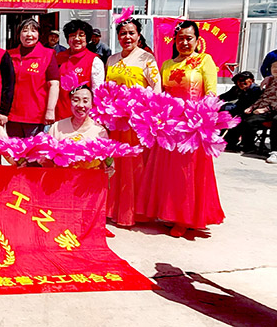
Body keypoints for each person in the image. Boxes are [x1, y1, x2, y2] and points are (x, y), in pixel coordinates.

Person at [137, 21, 225, 237]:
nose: (184, 42)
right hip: (170, 126)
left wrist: (203, 118)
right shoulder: (167, 64)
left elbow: (211, 93)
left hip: (193, 127)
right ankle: (170, 212)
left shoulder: (205, 60)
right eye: (180, 39)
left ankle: (185, 218)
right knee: (169, 173)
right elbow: (162, 94)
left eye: (189, 38)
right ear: (174, 41)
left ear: (197, 40)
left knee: (188, 173)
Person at [105, 17, 161, 228]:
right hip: (116, 122)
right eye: (123, 33)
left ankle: (135, 212)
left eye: (131, 33)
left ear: (138, 35)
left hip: (137, 123)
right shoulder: (112, 59)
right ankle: (114, 209)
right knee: (116, 164)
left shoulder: (147, 59)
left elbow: (156, 89)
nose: (127, 37)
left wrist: (149, 113)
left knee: (135, 165)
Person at [1, 18, 59, 138]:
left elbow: (54, 85)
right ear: (19, 34)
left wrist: (50, 111)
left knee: (35, 149)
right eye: (25, 30)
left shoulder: (47, 55)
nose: (29, 34)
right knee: (14, 149)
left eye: (33, 30)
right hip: (12, 116)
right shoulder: (9, 55)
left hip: (36, 116)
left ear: (39, 34)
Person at [55, 20, 104, 120]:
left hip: (82, 117)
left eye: (81, 35)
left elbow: (97, 93)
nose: (77, 38)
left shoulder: (94, 61)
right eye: (72, 35)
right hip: (59, 116)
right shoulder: (58, 57)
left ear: (87, 39)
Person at [238, 61, 277, 163]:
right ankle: (248, 146)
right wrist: (252, 107)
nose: (275, 69)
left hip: (273, 110)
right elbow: (262, 98)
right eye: (273, 67)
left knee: (276, 121)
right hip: (265, 110)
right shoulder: (271, 82)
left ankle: (275, 151)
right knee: (247, 120)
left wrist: (266, 109)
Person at [220, 71, 262, 150]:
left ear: (252, 80)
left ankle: (245, 145)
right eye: (238, 81)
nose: (241, 83)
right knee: (224, 111)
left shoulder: (255, 90)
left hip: (251, 112)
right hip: (240, 111)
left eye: (244, 80)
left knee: (239, 119)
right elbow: (225, 96)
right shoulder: (237, 89)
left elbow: (247, 105)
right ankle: (227, 142)